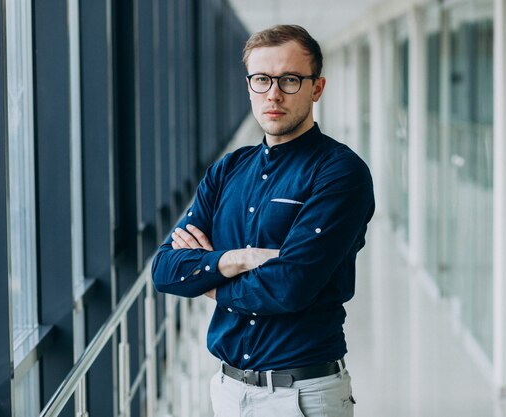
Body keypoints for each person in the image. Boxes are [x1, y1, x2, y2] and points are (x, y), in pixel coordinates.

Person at [151, 24, 374, 417]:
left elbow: (290, 286)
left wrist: (211, 287)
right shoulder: (228, 170)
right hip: (227, 389)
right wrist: (235, 259)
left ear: (316, 88)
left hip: (302, 395)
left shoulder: (340, 173)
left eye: (289, 79)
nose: (273, 93)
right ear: (249, 86)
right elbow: (165, 269)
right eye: (261, 79)